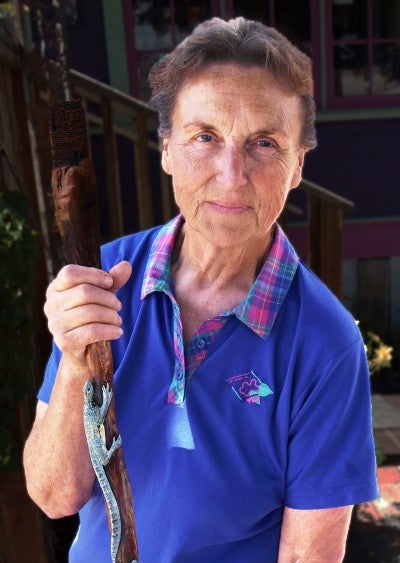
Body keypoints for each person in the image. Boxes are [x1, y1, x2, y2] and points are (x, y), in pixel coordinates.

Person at [24, 17, 378, 562]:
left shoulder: (325, 345)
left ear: (297, 165)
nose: (232, 174)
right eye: (205, 137)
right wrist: (75, 363)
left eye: (264, 143)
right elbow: (52, 496)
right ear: (166, 149)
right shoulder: (106, 277)